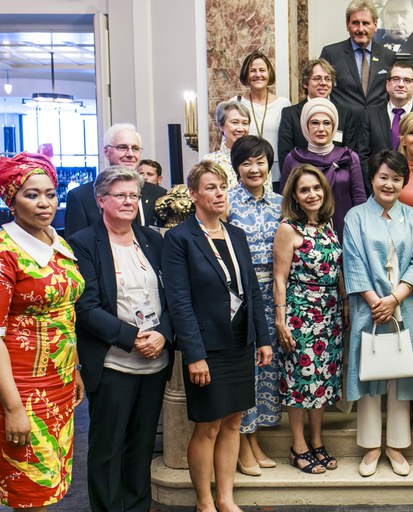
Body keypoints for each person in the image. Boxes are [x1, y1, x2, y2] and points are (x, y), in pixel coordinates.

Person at [162, 161, 272, 512]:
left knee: (234, 421)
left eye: (223, 186)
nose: (220, 192)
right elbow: (178, 301)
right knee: (208, 426)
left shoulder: (235, 235)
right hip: (207, 347)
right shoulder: (180, 239)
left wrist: (264, 338)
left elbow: (251, 290)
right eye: (210, 187)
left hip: (240, 341)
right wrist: (194, 354)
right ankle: (205, 502)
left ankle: (226, 499)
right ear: (193, 194)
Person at [69, 166, 173, 511]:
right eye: (120, 195)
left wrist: (161, 335)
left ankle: (139, 506)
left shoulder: (152, 239)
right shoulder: (83, 243)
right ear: (101, 200)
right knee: (107, 450)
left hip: (154, 362)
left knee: (141, 446)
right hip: (114, 363)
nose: (129, 202)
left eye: (133, 195)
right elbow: (86, 307)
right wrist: (133, 338)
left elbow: (174, 296)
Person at [0, 153, 85, 509]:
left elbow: (66, 313)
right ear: (11, 199)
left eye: (50, 193)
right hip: (22, 388)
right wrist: (13, 408)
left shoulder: (56, 240)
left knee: (53, 483)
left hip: (60, 383)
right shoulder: (6, 252)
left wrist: (75, 366)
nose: (44, 203)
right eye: (31, 195)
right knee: (29, 489)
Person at [343, 149, 413, 478]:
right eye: (383, 177)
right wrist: (375, 300)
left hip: (405, 303)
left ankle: (396, 445)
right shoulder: (355, 217)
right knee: (370, 371)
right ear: (371, 179)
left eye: (397, 179)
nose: (389, 184)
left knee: (400, 372)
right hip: (369, 307)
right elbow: (352, 261)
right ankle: (369, 446)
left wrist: (395, 298)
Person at [273, 164, 345, 475]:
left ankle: (317, 441)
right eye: (304, 190)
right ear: (295, 196)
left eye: (316, 188)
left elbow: (338, 270)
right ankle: (298, 445)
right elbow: (279, 278)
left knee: (322, 382)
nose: (312, 194)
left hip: (330, 313)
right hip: (301, 314)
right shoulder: (288, 229)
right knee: (300, 381)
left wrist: (344, 306)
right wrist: (280, 319)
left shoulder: (328, 225)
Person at [226, 136, 283, 476]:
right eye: (246, 162)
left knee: (266, 370)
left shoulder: (279, 203)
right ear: (237, 168)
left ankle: (255, 438)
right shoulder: (227, 202)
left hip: (272, 292)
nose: (254, 168)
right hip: (239, 296)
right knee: (244, 369)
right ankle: (241, 444)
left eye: (260, 161)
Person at [280, 97, 367, 244]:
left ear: (334, 126)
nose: (321, 128)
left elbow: (359, 201)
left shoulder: (349, 157)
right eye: (315, 123)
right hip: (304, 238)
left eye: (327, 123)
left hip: (346, 233)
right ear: (305, 126)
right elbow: (286, 203)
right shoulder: (294, 158)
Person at [65, 123, 167, 236]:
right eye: (123, 148)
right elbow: (75, 247)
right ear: (106, 152)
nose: (130, 154)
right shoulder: (81, 197)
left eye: (135, 148)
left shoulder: (159, 195)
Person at [359, 61, 413, 178]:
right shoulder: (370, 115)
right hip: (379, 188)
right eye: (396, 79)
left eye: (407, 80)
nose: (401, 84)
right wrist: (374, 186)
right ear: (388, 84)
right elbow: (363, 157)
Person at [277, 58, 361, 166]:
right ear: (305, 84)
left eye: (327, 79)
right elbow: (285, 156)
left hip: (337, 178)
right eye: (317, 78)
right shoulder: (290, 114)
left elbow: (349, 153)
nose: (323, 83)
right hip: (302, 179)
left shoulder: (344, 114)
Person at [320, 0, 397, 110]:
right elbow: (319, 89)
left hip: (378, 124)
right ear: (347, 25)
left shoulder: (389, 56)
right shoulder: (331, 53)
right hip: (344, 123)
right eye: (355, 23)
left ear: (375, 25)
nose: (360, 29)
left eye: (366, 23)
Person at [232, 51, 291, 186]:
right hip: (247, 172)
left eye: (262, 70)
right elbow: (229, 141)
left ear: (269, 73)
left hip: (277, 173)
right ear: (246, 75)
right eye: (253, 71)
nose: (258, 75)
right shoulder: (236, 103)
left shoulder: (283, 104)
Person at [202, 100, 252, 188]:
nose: (240, 129)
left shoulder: (259, 159)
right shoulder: (210, 161)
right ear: (221, 126)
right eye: (235, 122)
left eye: (245, 123)